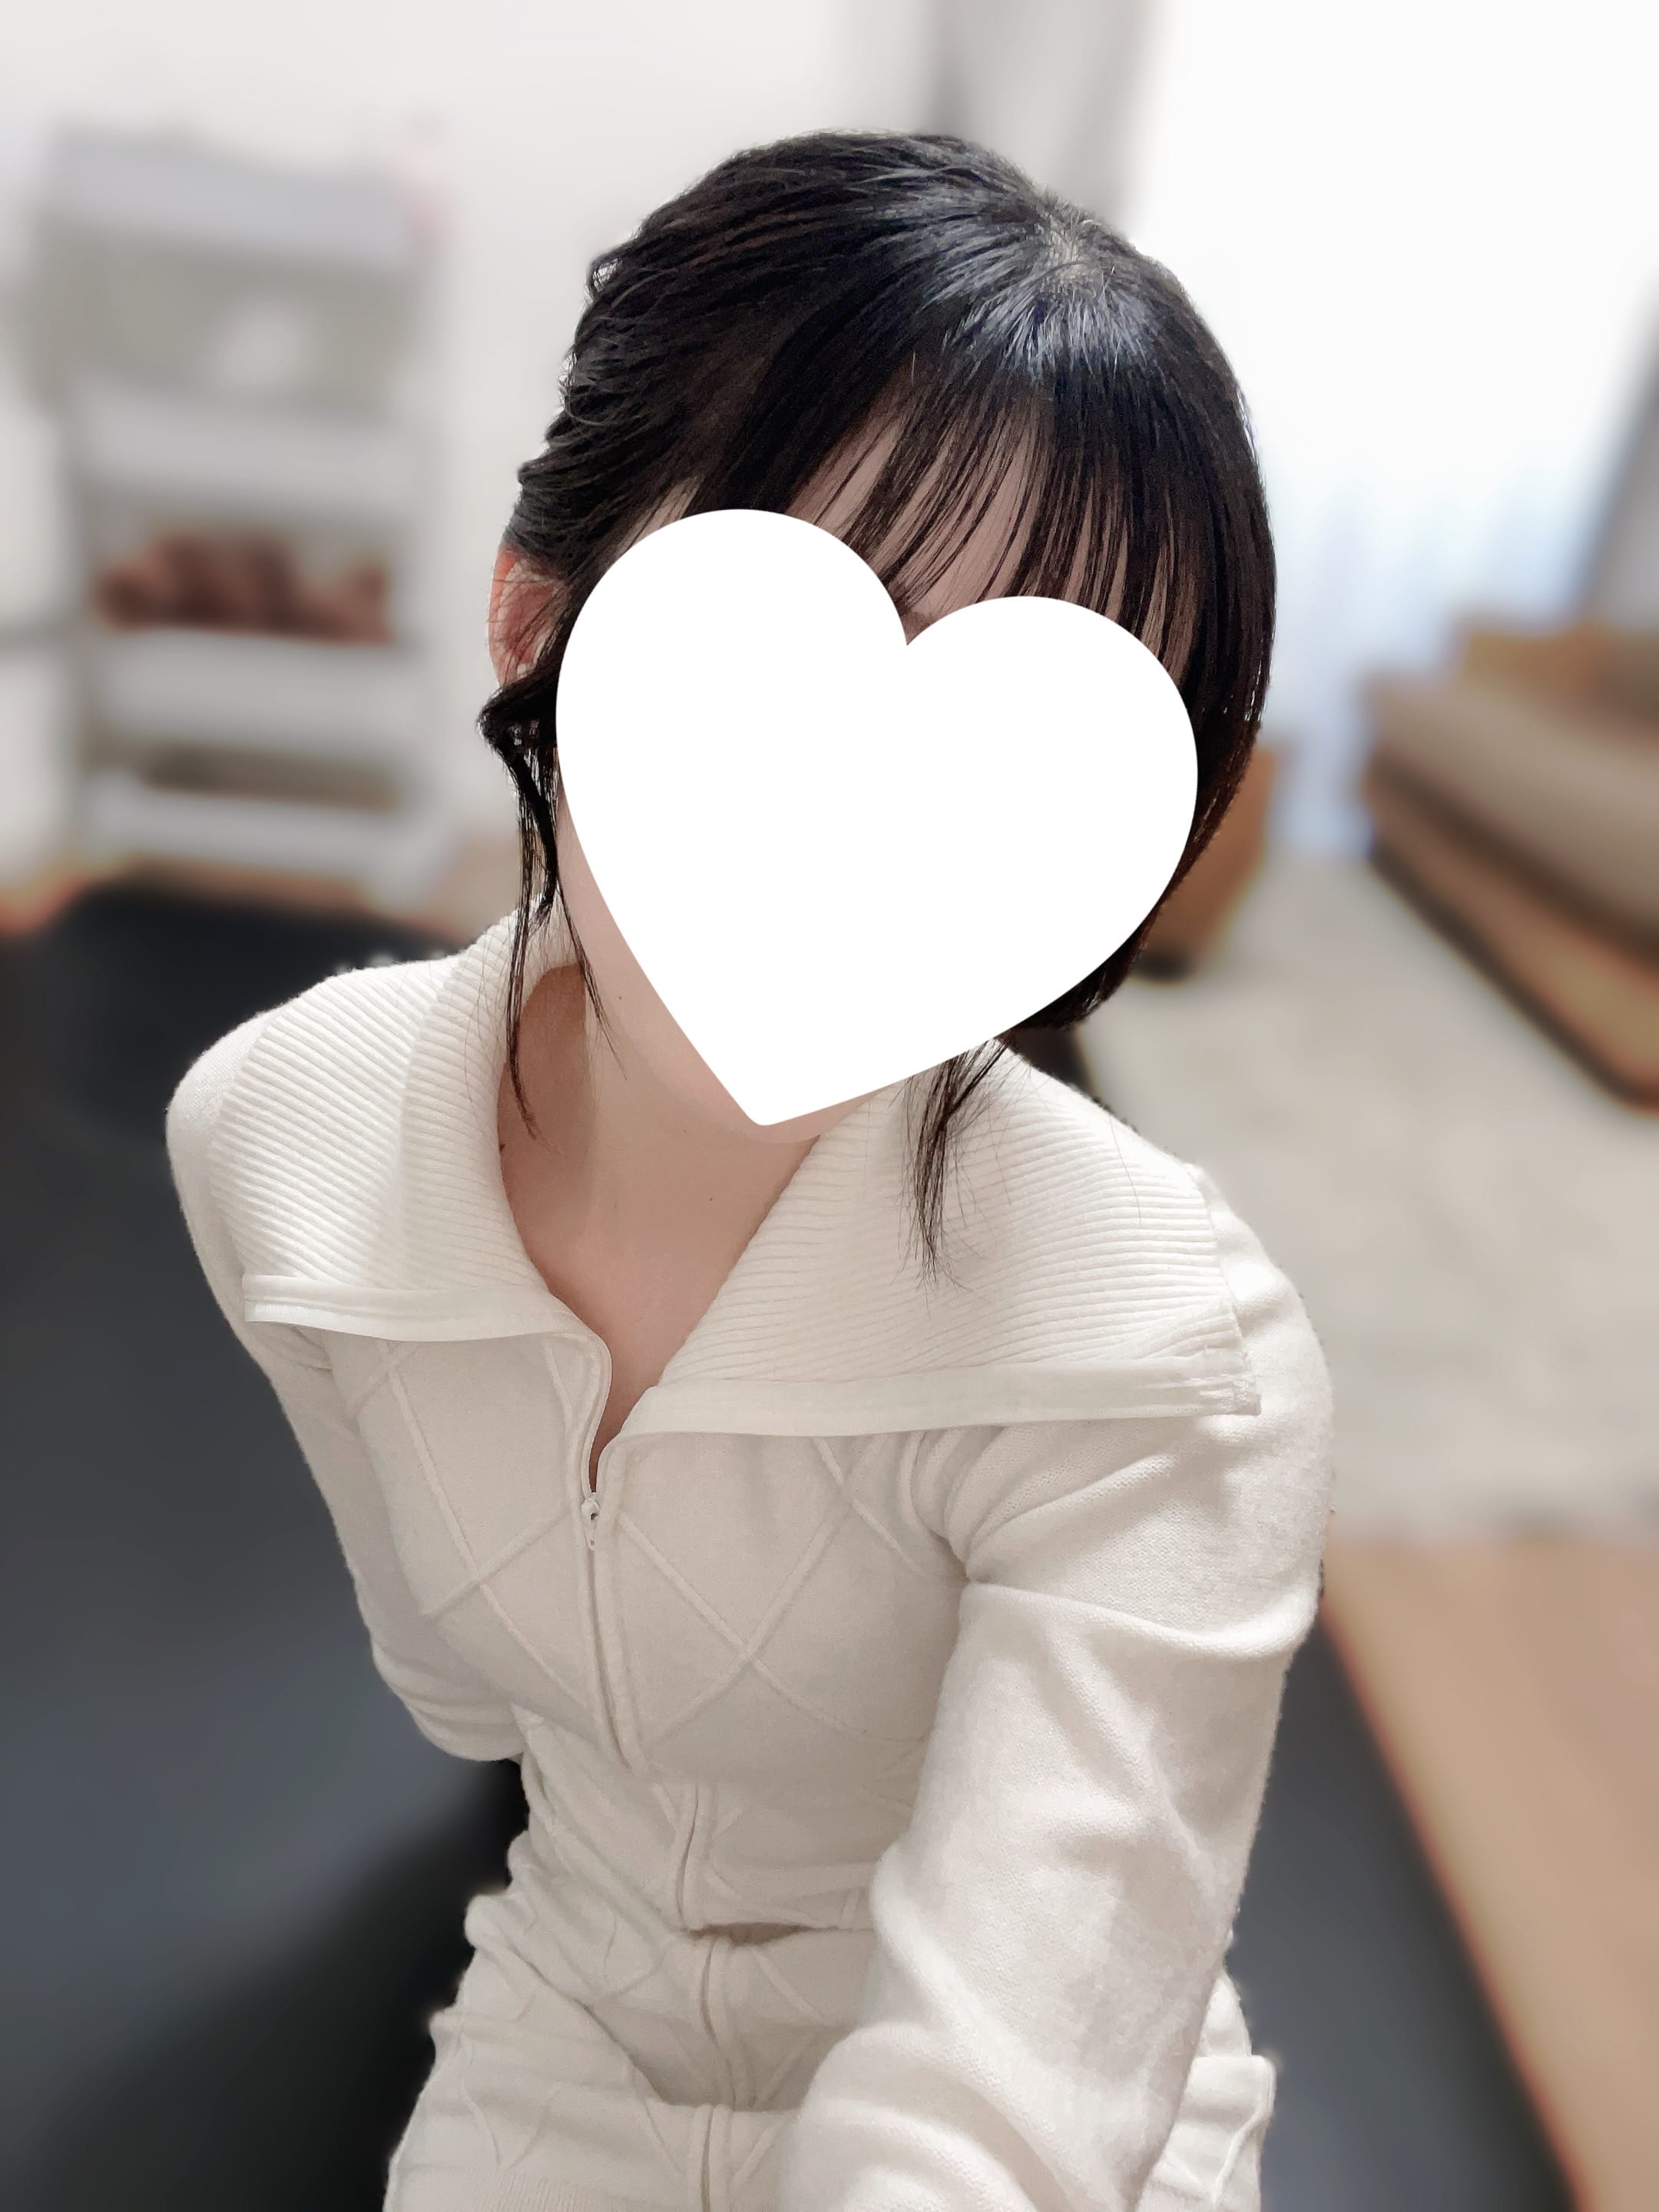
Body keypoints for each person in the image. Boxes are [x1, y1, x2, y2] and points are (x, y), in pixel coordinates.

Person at [166, 131, 1334, 2212]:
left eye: (1015, 765)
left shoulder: (1168, 1351)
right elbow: (459, 1692)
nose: (878, 844)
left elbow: (1004, 2112)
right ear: (538, 625)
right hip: (567, 2022)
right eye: (789, 676)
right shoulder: (281, 1144)